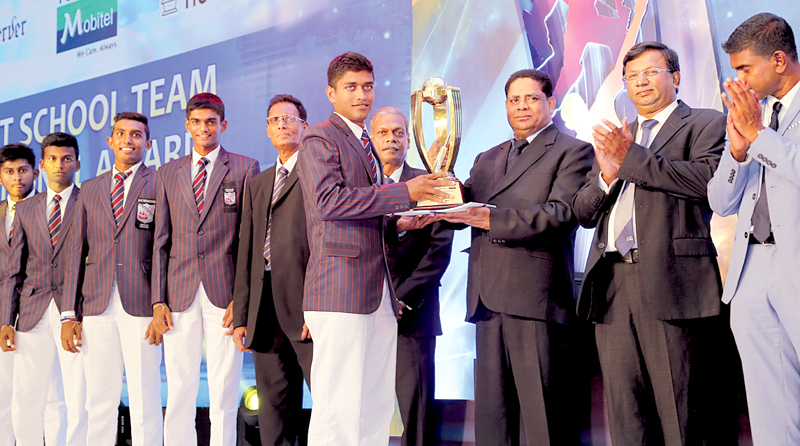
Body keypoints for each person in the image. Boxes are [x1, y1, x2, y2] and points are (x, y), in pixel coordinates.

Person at [573, 42, 737, 444]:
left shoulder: (705, 122)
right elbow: (582, 212)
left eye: (650, 72)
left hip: (672, 280)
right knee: (627, 414)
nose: (639, 82)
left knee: (681, 412)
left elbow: (705, 182)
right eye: (631, 76)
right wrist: (608, 174)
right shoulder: (619, 138)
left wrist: (631, 158)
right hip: (612, 285)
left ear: (675, 78)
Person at [297, 51, 450, 445]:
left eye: (367, 86)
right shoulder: (319, 136)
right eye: (351, 87)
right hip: (340, 290)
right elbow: (328, 202)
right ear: (331, 93)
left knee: (376, 404)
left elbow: (364, 211)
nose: (362, 95)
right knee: (339, 407)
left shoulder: (364, 139)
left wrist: (400, 221)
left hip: (380, 292)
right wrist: (404, 192)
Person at [433, 69, 592, 445]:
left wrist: (492, 218)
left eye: (532, 98)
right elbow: (463, 208)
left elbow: (562, 214)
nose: (522, 106)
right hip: (487, 299)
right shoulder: (487, 157)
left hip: (534, 297)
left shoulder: (573, 150)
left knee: (544, 419)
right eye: (514, 99)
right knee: (493, 418)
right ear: (505, 105)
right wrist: (436, 194)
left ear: (550, 102)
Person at [707, 13, 800, 445]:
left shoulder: (760, 121)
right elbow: (721, 201)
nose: (738, 81)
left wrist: (760, 135)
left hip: (795, 263)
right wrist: (740, 151)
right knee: (768, 401)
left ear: (779, 60)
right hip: (750, 269)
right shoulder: (754, 116)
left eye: (745, 69)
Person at [151, 93, 260, 446]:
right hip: (178, 293)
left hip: (225, 294)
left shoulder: (245, 167)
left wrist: (241, 299)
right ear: (187, 126)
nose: (204, 128)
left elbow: (250, 239)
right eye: (196, 122)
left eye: (211, 122)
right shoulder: (167, 172)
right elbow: (159, 241)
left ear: (223, 125)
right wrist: (157, 300)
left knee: (224, 386)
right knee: (180, 386)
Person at [60, 112, 163, 445]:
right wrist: (69, 313)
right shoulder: (88, 189)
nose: (128, 140)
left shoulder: (160, 182)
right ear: (110, 141)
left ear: (147, 143)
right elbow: (76, 252)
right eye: (121, 134)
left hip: (143, 304)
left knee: (145, 396)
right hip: (96, 305)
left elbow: (165, 246)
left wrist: (162, 302)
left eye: (136, 135)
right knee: (99, 399)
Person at [232, 94, 313, 446]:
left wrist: (319, 305)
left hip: (307, 309)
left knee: (329, 400)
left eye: (289, 118)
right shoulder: (259, 182)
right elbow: (248, 250)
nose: (282, 124)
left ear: (305, 127)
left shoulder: (318, 173)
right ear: (266, 130)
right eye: (275, 119)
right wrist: (242, 315)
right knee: (273, 412)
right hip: (266, 312)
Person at [371, 107, 454, 446]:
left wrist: (402, 298)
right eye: (383, 133)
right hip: (364, 314)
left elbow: (439, 249)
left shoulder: (430, 181)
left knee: (413, 412)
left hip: (412, 315)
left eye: (398, 132)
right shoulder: (362, 187)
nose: (391, 139)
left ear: (409, 139)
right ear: (371, 139)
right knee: (365, 410)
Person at [0, 133, 87, 446]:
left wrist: (75, 310)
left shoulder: (89, 200)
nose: (59, 165)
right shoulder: (26, 209)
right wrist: (7, 320)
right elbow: (14, 269)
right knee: (27, 395)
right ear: (43, 165)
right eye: (52, 158)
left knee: (75, 396)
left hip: (75, 311)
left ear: (77, 163)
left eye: (66, 159)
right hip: (32, 309)